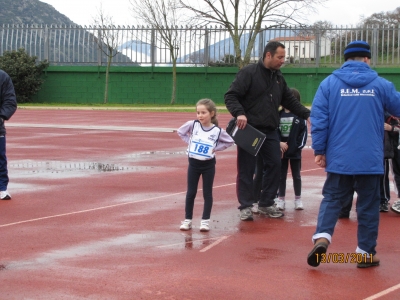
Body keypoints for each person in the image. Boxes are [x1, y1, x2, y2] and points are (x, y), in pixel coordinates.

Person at [307, 40, 400, 268]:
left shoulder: (328, 84)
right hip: (370, 158)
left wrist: (320, 150)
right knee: (368, 205)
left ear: (345, 59)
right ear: (367, 59)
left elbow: (319, 121)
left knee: (332, 198)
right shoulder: (381, 84)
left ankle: (322, 238)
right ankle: (365, 253)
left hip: (339, 157)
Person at [224, 41, 310, 221]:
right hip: (249, 130)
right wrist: (239, 113)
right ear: (268, 55)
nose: (282, 61)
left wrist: (307, 115)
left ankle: (266, 203)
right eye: (280, 57)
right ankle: (246, 206)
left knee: (275, 165)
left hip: (270, 130)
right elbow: (231, 96)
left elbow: (289, 100)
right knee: (247, 169)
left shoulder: (278, 77)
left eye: (284, 57)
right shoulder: (248, 73)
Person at [177, 98, 234, 231]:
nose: (200, 115)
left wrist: (216, 148)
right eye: (198, 112)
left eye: (203, 113)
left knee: (207, 193)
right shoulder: (193, 125)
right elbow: (180, 132)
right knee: (191, 192)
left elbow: (230, 141)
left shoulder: (217, 131)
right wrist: (189, 142)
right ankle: (187, 220)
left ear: (212, 114)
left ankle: (205, 221)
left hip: (208, 165)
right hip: (193, 164)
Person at [276, 88, 308, 210]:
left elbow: (303, 134)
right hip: (282, 151)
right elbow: (274, 131)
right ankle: (281, 199)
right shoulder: (278, 115)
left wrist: (297, 147)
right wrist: (279, 143)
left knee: (297, 176)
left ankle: (298, 199)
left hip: (295, 152)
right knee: (281, 176)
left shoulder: (300, 116)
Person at [0, 69, 17, 200]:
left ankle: (2, 189)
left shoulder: (3, 77)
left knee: (0, 159)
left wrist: (1, 117)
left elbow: (10, 101)